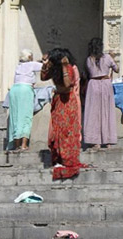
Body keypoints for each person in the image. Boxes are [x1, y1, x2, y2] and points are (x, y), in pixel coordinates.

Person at [41, 48, 84, 180]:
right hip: (58, 101)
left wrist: (65, 66)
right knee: (57, 130)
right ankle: (59, 157)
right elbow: (43, 78)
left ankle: (68, 159)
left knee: (67, 131)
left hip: (68, 101)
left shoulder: (69, 68)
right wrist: (45, 65)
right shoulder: (54, 70)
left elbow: (67, 84)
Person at [83, 38, 118, 148]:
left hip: (93, 84)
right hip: (105, 83)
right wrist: (113, 58)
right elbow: (117, 69)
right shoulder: (107, 58)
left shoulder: (89, 59)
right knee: (106, 111)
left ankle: (95, 141)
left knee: (93, 112)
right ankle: (107, 140)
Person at [7, 49, 43, 151]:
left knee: (16, 117)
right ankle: (23, 145)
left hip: (14, 90)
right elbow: (44, 67)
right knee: (26, 116)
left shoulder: (19, 66)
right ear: (29, 57)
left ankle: (16, 144)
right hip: (25, 91)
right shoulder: (31, 64)